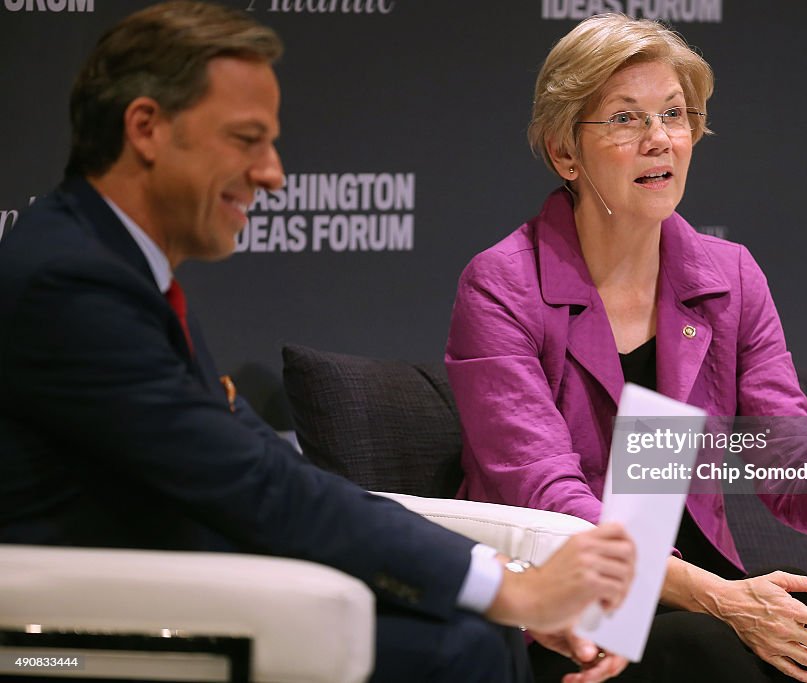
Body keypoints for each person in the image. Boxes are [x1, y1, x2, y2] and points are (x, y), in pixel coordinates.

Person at [0, 3, 637, 682]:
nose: (273, 173)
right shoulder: (71, 280)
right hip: (65, 641)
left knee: (471, 628)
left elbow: (270, 474)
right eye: (248, 139)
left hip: (168, 589)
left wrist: (490, 578)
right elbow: (252, 485)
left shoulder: (116, 268)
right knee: (458, 644)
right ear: (147, 127)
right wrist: (500, 586)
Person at [445, 13, 807, 683]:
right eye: (624, 119)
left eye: (673, 114)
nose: (659, 140)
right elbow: (551, 497)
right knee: (724, 657)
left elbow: (785, 464)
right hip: (561, 606)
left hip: (690, 595)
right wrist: (728, 599)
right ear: (565, 153)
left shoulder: (728, 278)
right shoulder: (503, 284)